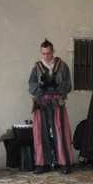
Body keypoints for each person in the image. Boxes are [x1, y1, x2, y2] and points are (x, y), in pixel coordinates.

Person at [29, 39, 74, 174]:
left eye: (48, 53)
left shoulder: (62, 66)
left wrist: (57, 87)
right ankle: (43, 164)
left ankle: (64, 163)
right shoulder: (36, 68)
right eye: (43, 53)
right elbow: (31, 85)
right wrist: (41, 88)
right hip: (41, 103)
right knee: (40, 133)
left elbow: (68, 85)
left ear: (53, 52)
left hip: (56, 103)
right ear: (41, 53)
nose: (46, 56)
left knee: (61, 132)